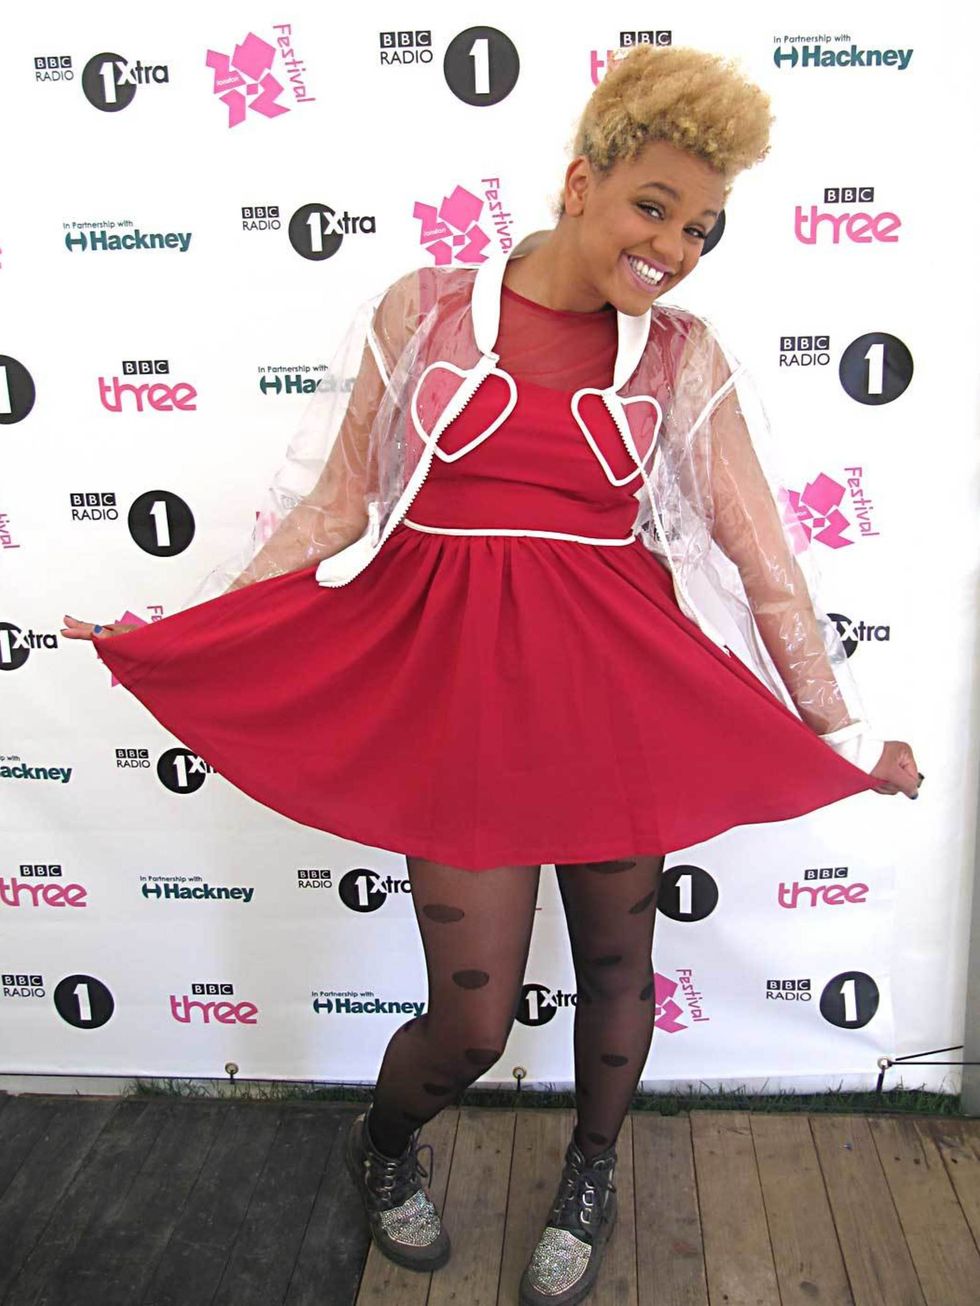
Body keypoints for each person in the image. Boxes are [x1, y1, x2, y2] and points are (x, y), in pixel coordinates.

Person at [62, 44, 920, 1306]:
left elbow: (761, 556)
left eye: (701, 228)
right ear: (580, 180)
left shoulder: (679, 352)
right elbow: (328, 508)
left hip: (615, 688)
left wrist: (837, 729)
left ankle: (590, 1167)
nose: (674, 247)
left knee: (620, 970)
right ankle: (386, 1143)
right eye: (652, 207)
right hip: (455, 691)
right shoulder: (422, 308)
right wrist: (182, 628)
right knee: (473, 1020)